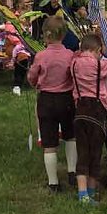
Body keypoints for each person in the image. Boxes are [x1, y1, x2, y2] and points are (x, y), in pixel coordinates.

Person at [70, 33, 107, 204]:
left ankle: (82, 193)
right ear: (97, 50)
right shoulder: (99, 65)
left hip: (79, 110)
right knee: (95, 153)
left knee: (82, 152)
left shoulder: (74, 63)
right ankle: (92, 191)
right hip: (96, 111)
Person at [27, 16, 78, 192]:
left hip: (47, 100)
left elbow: (32, 77)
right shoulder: (70, 55)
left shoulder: (41, 56)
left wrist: (33, 82)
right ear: (64, 35)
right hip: (67, 99)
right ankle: (73, 172)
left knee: (49, 144)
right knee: (71, 136)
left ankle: (53, 182)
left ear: (45, 36)